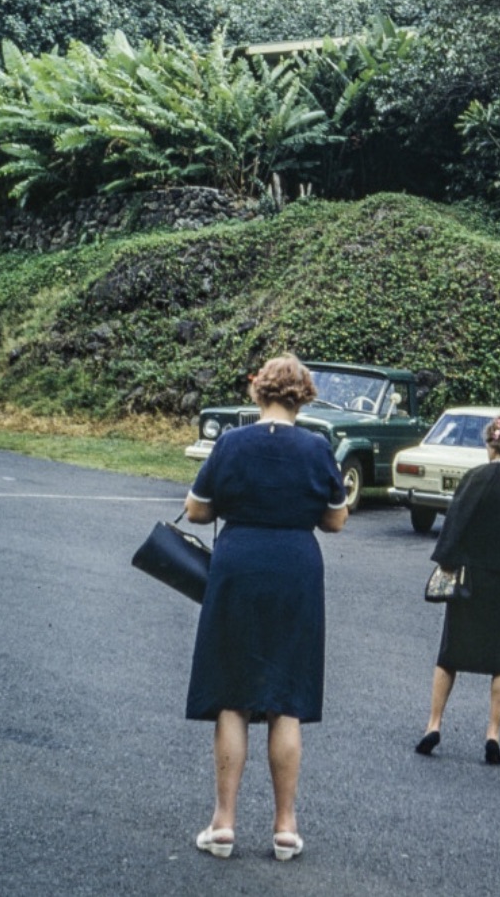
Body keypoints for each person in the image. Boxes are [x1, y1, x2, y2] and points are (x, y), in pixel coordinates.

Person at [183, 354, 348, 861]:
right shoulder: (318, 448)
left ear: (260, 392)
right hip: (296, 567)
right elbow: (335, 521)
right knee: (286, 697)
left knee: (232, 694)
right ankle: (285, 828)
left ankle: (224, 823)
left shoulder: (231, 442)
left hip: (239, 564)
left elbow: (196, 508)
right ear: (304, 395)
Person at [415, 412, 500, 764]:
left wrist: (446, 561)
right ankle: (492, 733)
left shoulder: (473, 479)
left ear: (492, 441)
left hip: (471, 576)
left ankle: (434, 724)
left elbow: (454, 525)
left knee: (450, 654)